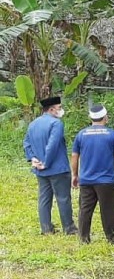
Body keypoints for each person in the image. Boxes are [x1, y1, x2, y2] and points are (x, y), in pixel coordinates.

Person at [71, 105, 114, 245]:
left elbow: (74, 156)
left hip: (86, 180)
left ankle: (83, 238)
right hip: (106, 180)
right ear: (105, 117)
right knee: (109, 209)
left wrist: (74, 174)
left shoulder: (81, 134)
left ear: (90, 118)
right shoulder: (113, 134)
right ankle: (113, 238)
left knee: (85, 209)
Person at [23, 96, 78, 235]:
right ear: (52, 109)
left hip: (40, 169)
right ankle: (69, 228)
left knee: (44, 198)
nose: (61, 110)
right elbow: (52, 145)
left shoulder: (33, 124)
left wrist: (33, 159)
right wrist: (46, 163)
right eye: (59, 108)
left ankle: (46, 228)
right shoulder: (56, 123)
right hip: (57, 168)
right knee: (63, 198)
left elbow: (26, 143)